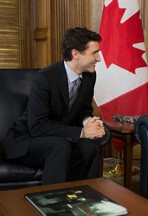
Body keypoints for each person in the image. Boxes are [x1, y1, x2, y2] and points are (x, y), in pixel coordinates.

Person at [3, 27, 107, 185]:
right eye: (94, 53)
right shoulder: (45, 79)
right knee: (60, 146)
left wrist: (89, 123)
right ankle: (52, 201)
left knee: (89, 146)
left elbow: (84, 109)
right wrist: (81, 132)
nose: (99, 58)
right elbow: (37, 126)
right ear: (75, 54)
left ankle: (74, 195)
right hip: (25, 140)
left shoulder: (89, 76)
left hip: (58, 137)